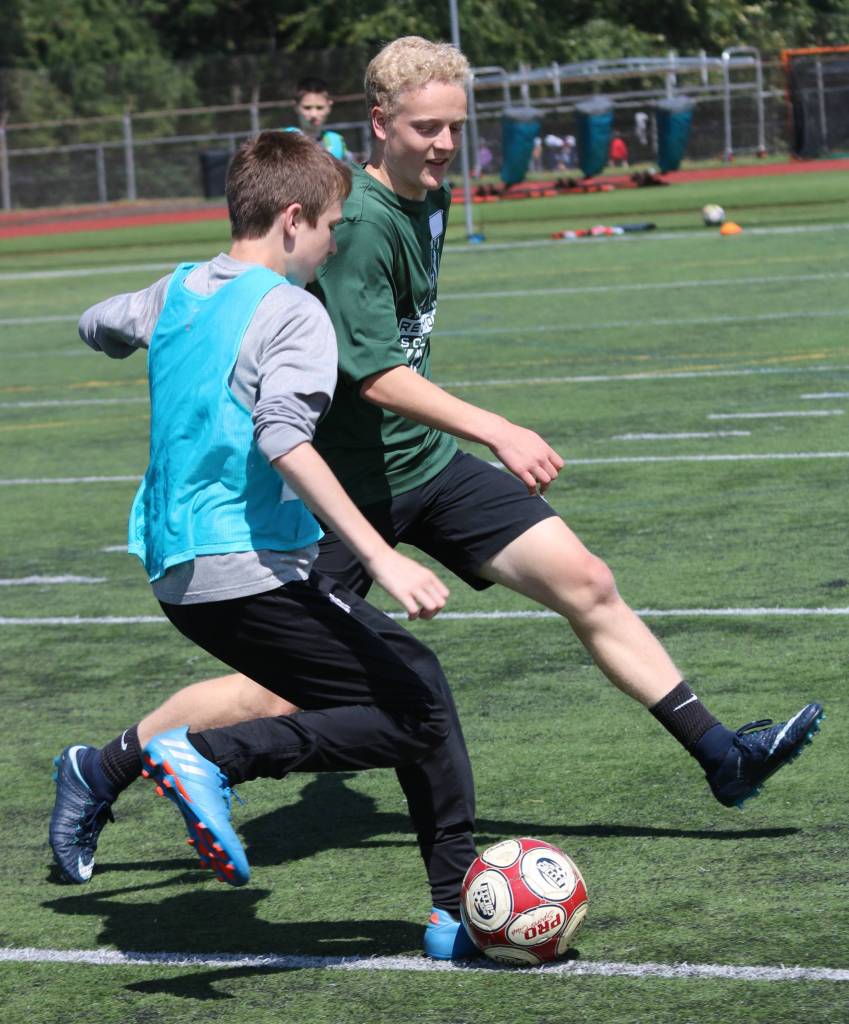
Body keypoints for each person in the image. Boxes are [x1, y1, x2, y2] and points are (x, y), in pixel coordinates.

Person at [51, 36, 824, 956]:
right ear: (376, 125)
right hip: (339, 491)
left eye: (457, 126)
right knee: (278, 692)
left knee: (583, 578)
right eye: (426, 127)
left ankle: (720, 756)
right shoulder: (353, 223)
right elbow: (370, 373)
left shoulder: (429, 197)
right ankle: (103, 768)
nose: (445, 144)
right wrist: (492, 428)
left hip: (417, 465)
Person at [49, 128, 478, 961]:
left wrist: (123, 336)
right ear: (291, 220)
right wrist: (382, 558)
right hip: (245, 568)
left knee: (409, 696)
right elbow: (286, 438)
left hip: (178, 575)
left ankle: (449, 910)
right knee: (418, 703)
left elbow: (96, 321)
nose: (331, 245)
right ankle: (212, 756)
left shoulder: (179, 290)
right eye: (329, 228)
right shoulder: (295, 313)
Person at [284, 75, 350, 161]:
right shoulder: (283, 140)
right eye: (307, 108)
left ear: (329, 106)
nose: (314, 114)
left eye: (320, 108)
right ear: (296, 107)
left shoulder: (337, 142)